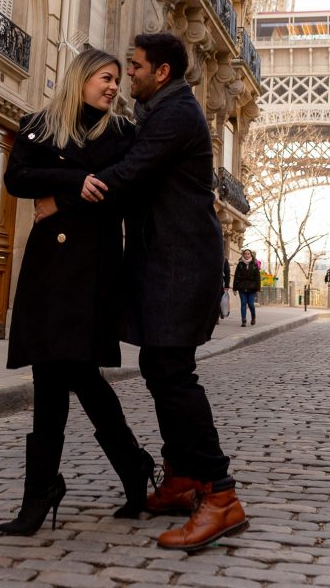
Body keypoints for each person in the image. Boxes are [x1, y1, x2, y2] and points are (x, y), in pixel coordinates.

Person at [80, 33, 248, 552]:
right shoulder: (163, 109)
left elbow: (129, 174)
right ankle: (180, 479)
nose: (128, 73)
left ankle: (220, 495)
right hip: (168, 260)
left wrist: (69, 190)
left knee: (173, 372)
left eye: (135, 67)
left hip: (180, 261)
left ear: (163, 73)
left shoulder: (175, 114)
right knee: (160, 367)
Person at [0, 49, 153, 536]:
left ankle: (46, 489)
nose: (113, 87)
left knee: (69, 372)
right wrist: (71, 181)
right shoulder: (41, 125)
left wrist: (59, 198)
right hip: (50, 268)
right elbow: (15, 177)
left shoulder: (123, 134)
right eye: (106, 78)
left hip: (94, 266)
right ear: (82, 78)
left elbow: (125, 187)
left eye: (117, 80)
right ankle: (126, 467)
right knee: (63, 372)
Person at [233, 248, 261, 326]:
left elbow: (258, 277)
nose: (247, 255)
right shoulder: (240, 264)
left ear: (250, 255)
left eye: (248, 254)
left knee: (251, 304)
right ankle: (244, 320)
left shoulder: (254, 264)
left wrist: (258, 288)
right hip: (242, 287)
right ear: (243, 255)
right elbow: (236, 277)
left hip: (252, 288)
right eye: (245, 254)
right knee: (243, 303)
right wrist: (235, 288)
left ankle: (253, 317)